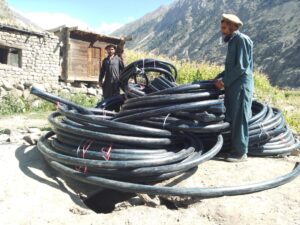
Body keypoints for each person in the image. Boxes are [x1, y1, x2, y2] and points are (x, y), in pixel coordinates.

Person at [215, 13, 254, 162]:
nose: (222, 30)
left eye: (224, 27)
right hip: (234, 87)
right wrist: (219, 77)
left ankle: (241, 152)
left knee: (240, 119)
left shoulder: (241, 40)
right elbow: (231, 67)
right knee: (233, 117)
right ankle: (235, 148)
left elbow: (242, 67)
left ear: (232, 26)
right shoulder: (233, 41)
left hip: (241, 87)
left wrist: (224, 82)